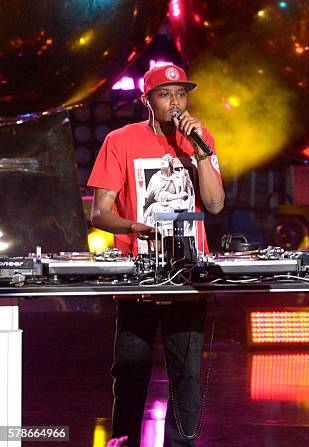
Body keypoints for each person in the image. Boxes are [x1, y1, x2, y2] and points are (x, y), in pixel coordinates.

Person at [88, 64, 225, 447]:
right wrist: (133, 227)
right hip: (140, 273)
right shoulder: (120, 140)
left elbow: (214, 204)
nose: (175, 102)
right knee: (130, 371)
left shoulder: (199, 139)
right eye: (165, 94)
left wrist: (201, 150)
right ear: (146, 99)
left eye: (181, 94)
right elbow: (99, 212)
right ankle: (125, 442)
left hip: (187, 272)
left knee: (187, 374)